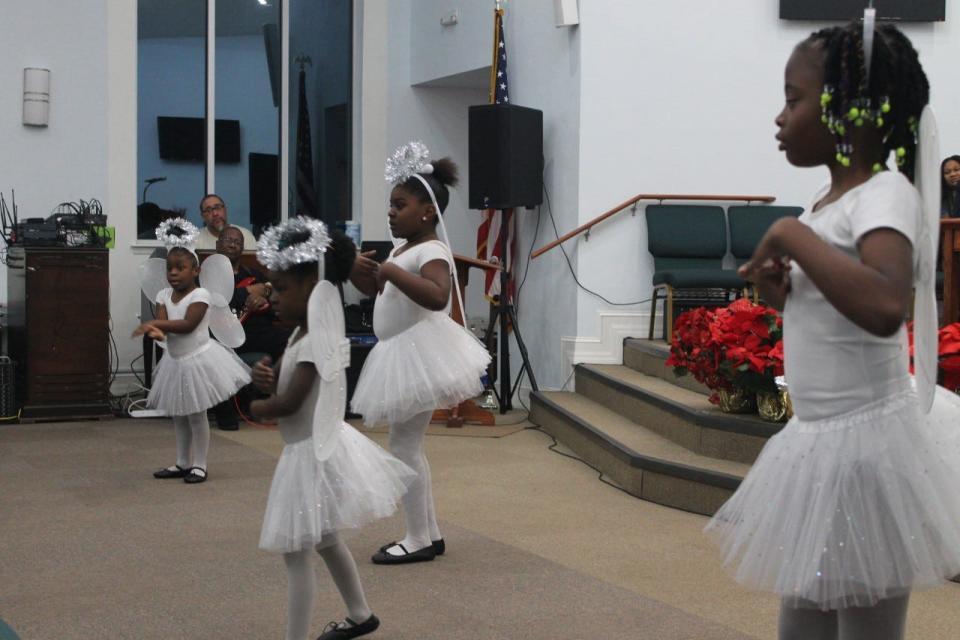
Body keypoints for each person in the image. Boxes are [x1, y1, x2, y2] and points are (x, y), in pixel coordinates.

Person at [705, 22, 960, 640]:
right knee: (802, 623)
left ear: (852, 112)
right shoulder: (823, 200)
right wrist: (779, 289)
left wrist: (791, 237)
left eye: (793, 99)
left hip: (867, 454)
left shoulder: (885, 195)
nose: (780, 116)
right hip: (816, 444)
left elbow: (884, 304)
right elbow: (830, 306)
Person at [250, 216, 414, 640]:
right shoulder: (303, 333)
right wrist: (270, 377)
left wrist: (261, 404)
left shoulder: (313, 341)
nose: (274, 298)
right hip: (314, 448)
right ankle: (361, 615)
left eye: (282, 289)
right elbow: (291, 383)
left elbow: (292, 401)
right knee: (324, 539)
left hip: (309, 454)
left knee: (296, 553)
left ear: (313, 287)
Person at [351, 145, 491, 564]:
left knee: (405, 445)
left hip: (418, 351)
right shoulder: (401, 250)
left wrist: (391, 271)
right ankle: (427, 532)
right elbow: (383, 294)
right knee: (407, 443)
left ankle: (417, 538)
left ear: (428, 211)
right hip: (400, 351)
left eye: (400, 204)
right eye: (390, 205)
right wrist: (366, 274)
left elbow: (437, 297)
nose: (391, 212)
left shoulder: (430, 250)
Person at [133, 219, 251, 484]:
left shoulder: (201, 296)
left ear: (195, 270)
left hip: (198, 360)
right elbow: (164, 329)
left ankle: (200, 464)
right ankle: (182, 461)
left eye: (180, 268)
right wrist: (155, 330)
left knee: (196, 414)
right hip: (175, 362)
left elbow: (187, 325)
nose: (173, 273)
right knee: (179, 414)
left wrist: (157, 324)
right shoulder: (163, 294)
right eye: (169, 268)